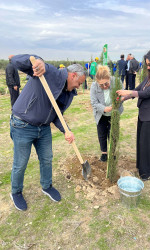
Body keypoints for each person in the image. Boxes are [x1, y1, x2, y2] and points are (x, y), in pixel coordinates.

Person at [9, 54, 86, 211]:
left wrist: (66, 130)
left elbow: (57, 114)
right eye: (79, 82)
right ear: (72, 75)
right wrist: (38, 61)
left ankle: (46, 186)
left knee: (47, 159)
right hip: (22, 124)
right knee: (21, 163)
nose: (79, 86)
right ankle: (16, 192)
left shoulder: (68, 93)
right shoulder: (49, 72)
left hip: (43, 128)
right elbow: (16, 61)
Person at [116, 48, 150, 181]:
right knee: (141, 142)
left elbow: (148, 93)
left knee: (147, 144)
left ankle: (149, 173)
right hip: (144, 115)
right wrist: (124, 98)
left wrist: (126, 91)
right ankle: (142, 168)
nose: (149, 67)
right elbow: (138, 90)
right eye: (147, 65)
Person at [90, 65, 124, 162]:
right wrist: (104, 108)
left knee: (113, 134)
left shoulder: (117, 81)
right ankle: (104, 153)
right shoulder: (93, 86)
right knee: (102, 134)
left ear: (109, 78)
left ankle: (112, 152)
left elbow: (122, 97)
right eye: (101, 85)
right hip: (101, 114)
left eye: (106, 83)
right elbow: (94, 103)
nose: (104, 86)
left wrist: (116, 104)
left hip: (114, 113)